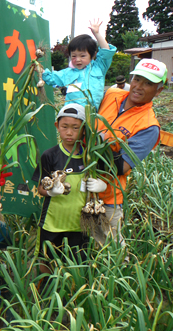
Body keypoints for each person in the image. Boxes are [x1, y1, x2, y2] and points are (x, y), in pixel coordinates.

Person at [94, 58, 166, 247]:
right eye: (137, 79)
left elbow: (121, 166)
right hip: (78, 183)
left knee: (110, 248)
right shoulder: (112, 94)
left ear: (159, 90)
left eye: (148, 83)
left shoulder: (149, 127)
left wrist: (96, 148)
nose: (139, 87)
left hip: (107, 195)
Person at [32, 104, 96, 276]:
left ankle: (72, 294)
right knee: (46, 259)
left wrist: (100, 185)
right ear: (57, 127)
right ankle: (43, 289)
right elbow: (39, 188)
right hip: (52, 222)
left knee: (77, 263)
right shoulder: (50, 155)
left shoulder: (89, 156)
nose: (69, 133)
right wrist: (51, 192)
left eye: (76, 128)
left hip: (79, 223)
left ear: (83, 130)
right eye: (64, 127)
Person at [42, 19, 116, 109]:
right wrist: (40, 70)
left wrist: (97, 34)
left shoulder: (99, 67)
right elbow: (51, 77)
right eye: (73, 56)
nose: (78, 60)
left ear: (93, 55)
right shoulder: (67, 73)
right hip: (73, 114)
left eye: (82, 56)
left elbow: (106, 52)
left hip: (93, 114)